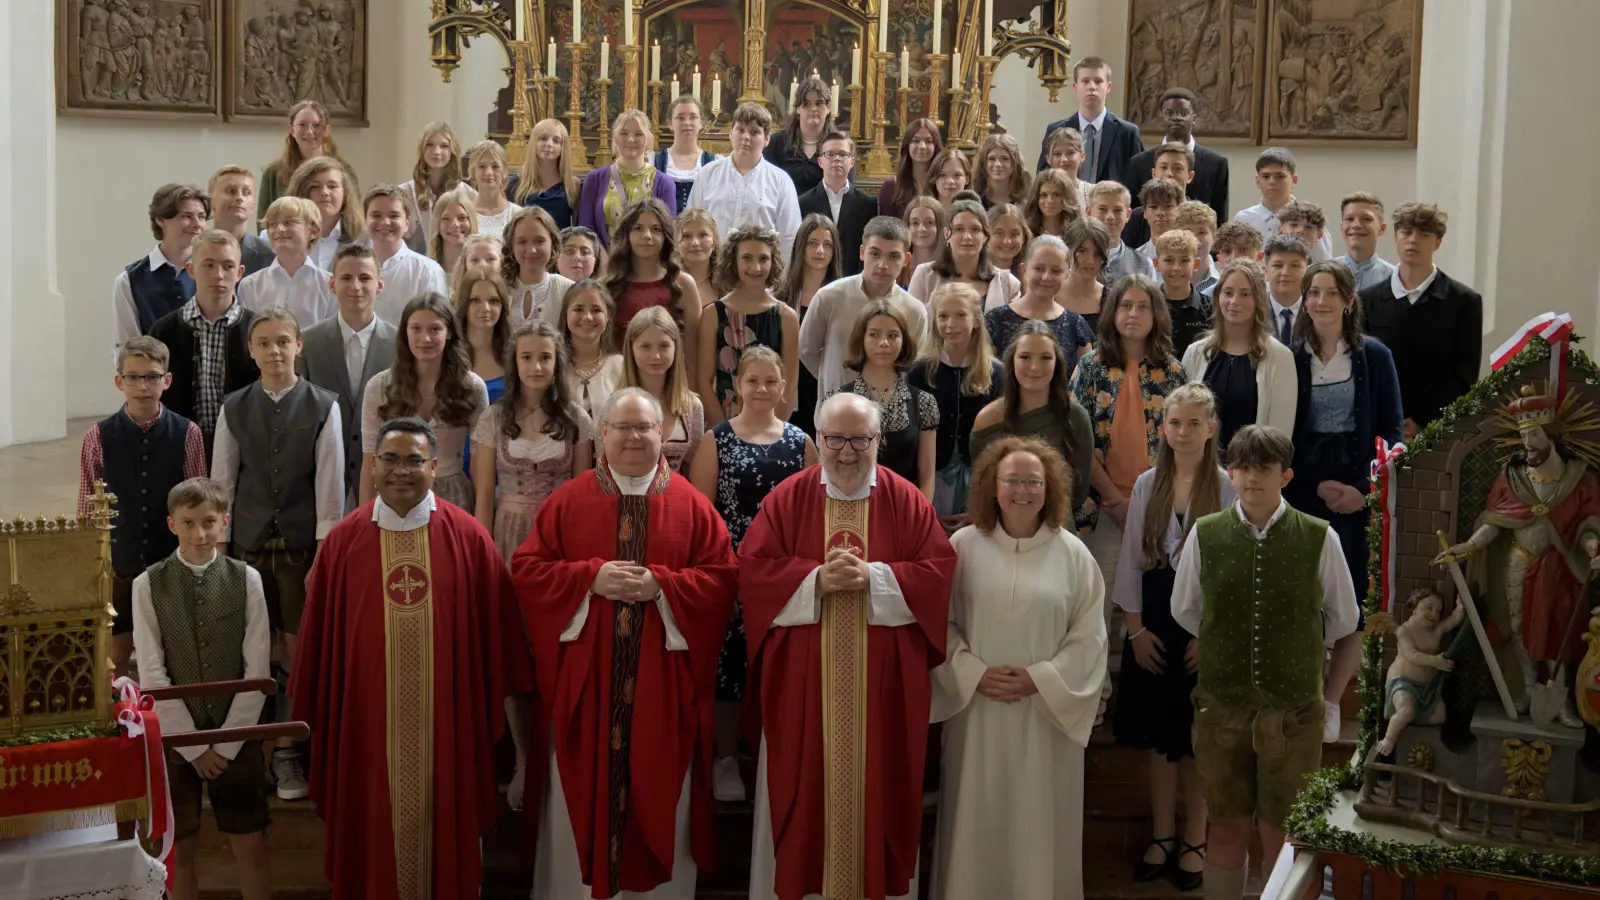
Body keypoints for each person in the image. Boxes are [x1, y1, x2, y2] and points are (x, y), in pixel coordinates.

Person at [292, 416, 535, 899]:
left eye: (413, 460)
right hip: (365, 732)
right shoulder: (343, 541)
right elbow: (319, 647)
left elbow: (502, 645)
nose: (401, 470)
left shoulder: (469, 539)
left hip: (447, 730)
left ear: (434, 466)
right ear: (373, 466)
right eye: (390, 459)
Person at [513, 383, 737, 899]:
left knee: (659, 789)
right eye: (622, 428)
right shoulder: (569, 501)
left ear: (661, 433)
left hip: (663, 691)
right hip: (588, 689)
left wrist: (664, 586)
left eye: (644, 428)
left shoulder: (692, 506)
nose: (633, 437)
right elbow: (527, 570)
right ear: (602, 434)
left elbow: (724, 579)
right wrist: (588, 579)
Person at [739, 391, 957, 900]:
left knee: (880, 788)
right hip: (804, 688)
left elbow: (937, 575)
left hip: (883, 693)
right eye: (835, 439)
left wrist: (874, 578)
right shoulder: (787, 499)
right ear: (818, 439)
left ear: (879, 440)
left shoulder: (906, 500)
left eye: (860, 440)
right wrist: (814, 580)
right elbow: (752, 573)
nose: (846, 452)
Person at [1171, 424, 1360, 899]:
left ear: (1286, 475)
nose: (1253, 477)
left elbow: (1344, 619)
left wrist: (1297, 651)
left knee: (1284, 833)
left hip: (1293, 714)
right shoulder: (1205, 534)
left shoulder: (1320, 537)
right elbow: (1186, 609)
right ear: (1230, 473)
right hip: (1222, 710)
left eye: (1264, 468)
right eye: (1243, 467)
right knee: (1226, 827)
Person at [930, 437, 1107, 900]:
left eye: (1034, 482)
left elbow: (1090, 639)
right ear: (993, 486)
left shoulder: (1074, 555)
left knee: (1037, 827)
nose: (1022, 491)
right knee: (974, 823)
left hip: (1045, 719)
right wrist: (971, 673)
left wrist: (1040, 679)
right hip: (976, 715)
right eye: (1012, 480)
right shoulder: (962, 547)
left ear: (1050, 490)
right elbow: (939, 625)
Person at [211, 306, 345, 801]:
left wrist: (323, 554)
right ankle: (249, 746)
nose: (274, 351)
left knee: (293, 647)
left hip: (298, 548)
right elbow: (222, 482)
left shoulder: (323, 406)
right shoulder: (234, 407)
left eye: (283, 342)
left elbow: (331, 487)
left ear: (298, 346)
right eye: (264, 343)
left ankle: (287, 750)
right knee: (251, 646)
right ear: (251, 350)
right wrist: (221, 550)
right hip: (246, 545)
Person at [1112, 384, 1231, 892]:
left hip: (1205, 620)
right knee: (1159, 741)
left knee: (1195, 740)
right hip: (1154, 619)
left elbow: (1232, 570)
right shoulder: (1147, 483)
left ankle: (1195, 839)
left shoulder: (1226, 486)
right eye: (1175, 423)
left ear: (1211, 429)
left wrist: (1212, 637)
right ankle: (1162, 835)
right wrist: (1135, 630)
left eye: (1194, 424)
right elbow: (1131, 562)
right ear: (1163, 428)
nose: (1183, 432)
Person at [688, 346, 817, 802]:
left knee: (778, 664)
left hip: (783, 570)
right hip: (733, 566)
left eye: (770, 381)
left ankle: (774, 754)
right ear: (737, 386)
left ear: (783, 387)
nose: (762, 389)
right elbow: (703, 516)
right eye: (752, 380)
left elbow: (811, 515)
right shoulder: (716, 440)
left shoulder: (801, 442)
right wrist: (730, 575)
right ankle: (726, 758)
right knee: (729, 664)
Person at [133, 477, 272, 900]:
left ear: (224, 522)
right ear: (172, 524)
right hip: (176, 739)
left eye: (209, 522)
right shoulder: (147, 584)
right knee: (180, 854)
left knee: (251, 848)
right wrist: (193, 746)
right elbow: (152, 674)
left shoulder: (247, 579)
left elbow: (257, 669)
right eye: (189, 523)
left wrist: (226, 745)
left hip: (237, 733)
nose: (199, 533)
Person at [1435, 390, 1600, 728]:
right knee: (1517, 629)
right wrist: (1468, 546)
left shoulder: (1579, 478)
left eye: (1534, 435)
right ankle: (1526, 690)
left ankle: (1559, 700)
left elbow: (1587, 522)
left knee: (1558, 633)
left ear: (1550, 435)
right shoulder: (1513, 476)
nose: (1527, 443)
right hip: (1517, 562)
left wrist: (1592, 545)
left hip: (1559, 567)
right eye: (1523, 436)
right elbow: (1496, 520)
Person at [1289, 260, 1403, 740]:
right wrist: (1311, 485)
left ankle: (1333, 701)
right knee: (1305, 599)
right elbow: (1282, 432)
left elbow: (1393, 433)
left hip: (1356, 495)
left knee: (1352, 601)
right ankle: (1306, 695)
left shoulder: (1375, 356)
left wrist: (1363, 491)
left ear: (1349, 300)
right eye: (1313, 293)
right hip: (1304, 492)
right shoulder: (1289, 357)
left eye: (1331, 293)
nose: (1322, 301)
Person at [1070, 273, 1187, 689]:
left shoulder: (1173, 371)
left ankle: (1139, 697)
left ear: (1157, 315)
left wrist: (1143, 504)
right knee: (1096, 606)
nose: (1133, 314)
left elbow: (1182, 445)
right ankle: (1096, 697)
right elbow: (1078, 441)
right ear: (1111, 312)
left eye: (1142, 306)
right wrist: (1114, 499)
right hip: (1101, 507)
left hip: (1157, 508)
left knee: (1147, 604)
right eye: (1125, 305)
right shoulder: (1090, 367)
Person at [80, 337, 208, 676]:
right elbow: (87, 508)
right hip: (119, 563)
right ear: (119, 381)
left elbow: (198, 503)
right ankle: (120, 708)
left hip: (172, 563)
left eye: (152, 376)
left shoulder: (188, 433)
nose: (143, 386)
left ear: (167, 380)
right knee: (115, 654)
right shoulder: (97, 437)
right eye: (133, 377)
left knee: (175, 651)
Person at [1357, 202, 1483, 438]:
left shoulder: (1464, 301)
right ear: (1395, 237)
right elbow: (1362, 367)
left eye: (1424, 234)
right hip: (1378, 426)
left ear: (1438, 242)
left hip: (1437, 431)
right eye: (1406, 232)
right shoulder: (1367, 300)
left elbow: (1464, 375)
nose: (1413, 240)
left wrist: (1423, 420)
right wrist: (1386, 418)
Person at [472, 319, 594, 559]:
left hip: (558, 530)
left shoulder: (576, 419)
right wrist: (483, 554)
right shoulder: (493, 419)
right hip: (508, 530)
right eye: (526, 357)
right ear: (515, 362)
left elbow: (581, 495)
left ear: (556, 363)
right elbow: (484, 495)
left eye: (545, 358)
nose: (536, 367)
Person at [360, 293, 490, 509]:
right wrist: (364, 519)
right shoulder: (379, 386)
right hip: (395, 493)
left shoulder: (472, 387)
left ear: (449, 332)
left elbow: (481, 466)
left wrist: (480, 521)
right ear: (405, 332)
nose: (425, 338)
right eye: (416, 329)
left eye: (435, 329)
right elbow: (369, 463)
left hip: (452, 496)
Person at [297, 244, 398, 513]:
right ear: (332, 284)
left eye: (365, 278)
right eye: (346, 278)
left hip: (383, 482)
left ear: (379, 285)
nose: (356, 286)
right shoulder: (308, 343)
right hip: (323, 481)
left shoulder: (400, 344)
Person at [970, 321, 1094, 526]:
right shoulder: (988, 419)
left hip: (1056, 529)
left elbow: (1079, 492)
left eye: (1045, 358)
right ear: (1012, 361)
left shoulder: (1076, 417)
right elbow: (982, 487)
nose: (1035, 367)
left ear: (1057, 363)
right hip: (1000, 529)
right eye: (1025, 357)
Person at [148, 230, 259, 456]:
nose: (218, 274)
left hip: (242, 450)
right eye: (208, 265)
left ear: (239, 273)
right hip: (179, 448)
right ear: (191, 270)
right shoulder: (163, 331)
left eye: (228, 266)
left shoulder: (256, 330)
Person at [799, 216, 926, 405]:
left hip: (888, 413)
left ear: (906, 259)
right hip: (834, 411)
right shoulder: (829, 296)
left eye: (893, 256)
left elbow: (911, 367)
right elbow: (806, 349)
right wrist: (833, 379)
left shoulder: (915, 311)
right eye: (875, 254)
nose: (882, 265)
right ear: (862, 252)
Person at [909, 284, 1003, 522]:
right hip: (932, 478)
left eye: (960, 314)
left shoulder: (997, 373)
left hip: (980, 480)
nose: (951, 324)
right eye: (943, 316)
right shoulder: (919, 372)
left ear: (976, 320)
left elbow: (1002, 438)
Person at [827, 300, 940, 497]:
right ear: (861, 339)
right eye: (874, 334)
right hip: (851, 505)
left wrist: (919, 513)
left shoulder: (924, 402)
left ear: (903, 341)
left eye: (893, 335)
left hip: (905, 506)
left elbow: (927, 479)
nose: (884, 343)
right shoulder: (835, 400)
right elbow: (829, 470)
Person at [1181, 260, 1297, 452]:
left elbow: (1279, 435)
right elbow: (1182, 420)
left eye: (1245, 294)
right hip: (1201, 465)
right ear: (1217, 296)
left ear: (1259, 300)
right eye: (1228, 293)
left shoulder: (1280, 357)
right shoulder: (1195, 353)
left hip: (1254, 466)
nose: (1234, 302)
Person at [698, 225, 800, 423]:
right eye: (747, 258)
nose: (756, 267)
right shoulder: (712, 315)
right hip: (724, 419)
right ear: (733, 261)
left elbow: (789, 385)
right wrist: (724, 430)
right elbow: (703, 382)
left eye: (763, 259)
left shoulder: (786, 317)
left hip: (771, 421)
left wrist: (773, 429)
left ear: (773, 261)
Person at [688, 104, 803, 265]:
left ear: (767, 138)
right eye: (740, 130)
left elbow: (789, 238)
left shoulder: (781, 181)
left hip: (759, 273)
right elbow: (692, 223)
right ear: (731, 133)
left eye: (754, 132)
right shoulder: (708, 174)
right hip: (713, 270)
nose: (745, 137)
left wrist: (780, 278)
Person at [604, 198, 703, 374]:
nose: (647, 236)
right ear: (626, 234)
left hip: (671, 382)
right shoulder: (607, 285)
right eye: (638, 228)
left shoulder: (684, 284)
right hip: (620, 382)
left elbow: (692, 353)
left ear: (666, 236)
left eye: (656, 229)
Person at [112, 183, 207, 362]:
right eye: (186, 216)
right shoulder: (129, 280)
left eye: (201, 217)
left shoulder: (215, 272)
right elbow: (127, 346)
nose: (197, 224)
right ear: (161, 220)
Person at [985, 235, 1094, 368]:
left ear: (1066, 274)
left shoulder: (1076, 325)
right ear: (1024, 270)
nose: (1046, 277)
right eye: (1039, 269)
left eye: (1056, 271)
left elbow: (1086, 378)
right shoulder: (996, 320)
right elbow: (986, 375)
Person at [1125, 88, 1230, 222]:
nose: (1176, 117)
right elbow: (1133, 215)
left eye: (1183, 113)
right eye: (1170, 113)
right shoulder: (1140, 162)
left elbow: (1219, 220)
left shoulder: (1216, 164)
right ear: (1162, 118)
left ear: (1194, 118)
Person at [621, 307, 705, 473]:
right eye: (645, 346)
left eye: (664, 346)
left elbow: (693, 469)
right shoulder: (614, 405)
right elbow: (604, 468)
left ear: (675, 348)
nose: (656, 356)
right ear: (631, 349)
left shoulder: (692, 406)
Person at [1036, 57, 1144, 184]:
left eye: (1098, 81)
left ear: (1108, 87)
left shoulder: (1127, 132)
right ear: (1075, 87)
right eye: (1085, 81)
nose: (1092, 87)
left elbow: (1139, 179)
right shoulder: (1055, 130)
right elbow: (1042, 178)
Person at [579, 110, 678, 248]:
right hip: (604, 259)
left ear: (648, 140)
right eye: (624, 133)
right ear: (616, 139)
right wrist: (604, 258)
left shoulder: (664, 184)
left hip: (648, 259)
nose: (631, 139)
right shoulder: (595, 179)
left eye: (638, 134)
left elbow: (667, 233)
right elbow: (585, 229)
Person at [779, 215, 841, 437]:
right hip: (788, 390)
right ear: (800, 247)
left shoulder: (842, 296)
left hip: (825, 387)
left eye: (827, 245)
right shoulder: (780, 295)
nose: (820, 251)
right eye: (812, 243)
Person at [909, 198, 1020, 313]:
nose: (967, 237)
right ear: (947, 234)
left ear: (985, 236)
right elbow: (910, 321)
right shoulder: (924, 275)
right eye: (959, 229)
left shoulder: (1009, 284)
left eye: (975, 229)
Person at [238, 196, 335, 326]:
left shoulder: (329, 285)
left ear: (313, 231)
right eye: (273, 224)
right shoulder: (250, 285)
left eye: (289, 222)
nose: (280, 229)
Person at [257, 99, 346, 230]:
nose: (309, 131)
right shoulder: (273, 173)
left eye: (316, 125)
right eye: (302, 125)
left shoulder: (343, 170)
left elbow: (353, 216)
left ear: (326, 130)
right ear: (291, 130)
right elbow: (264, 224)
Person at [366, 185, 449, 324]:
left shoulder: (428, 271)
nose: (385, 222)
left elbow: (438, 324)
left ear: (406, 223)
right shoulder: (351, 268)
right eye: (376, 215)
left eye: (394, 215)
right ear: (365, 221)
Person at [1233, 147, 1333, 262]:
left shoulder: (1311, 220)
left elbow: (1322, 264)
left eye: (1280, 176)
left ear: (1294, 180)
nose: (1272, 181)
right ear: (1257, 181)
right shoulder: (1244, 219)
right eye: (1266, 176)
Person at [798, 132, 875, 277]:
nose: (836, 159)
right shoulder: (803, 202)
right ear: (820, 161)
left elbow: (869, 246)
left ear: (852, 162)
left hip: (853, 280)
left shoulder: (867, 204)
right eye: (830, 154)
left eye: (842, 154)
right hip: (815, 279)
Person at [397, 122, 472, 251]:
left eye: (444, 146)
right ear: (422, 150)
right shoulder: (403, 193)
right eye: (429, 145)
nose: (436, 152)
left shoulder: (467, 194)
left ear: (453, 151)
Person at [283, 156, 364, 273]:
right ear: (301, 192)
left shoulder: (363, 237)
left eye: (332, 186)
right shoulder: (278, 235)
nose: (325, 192)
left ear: (345, 192)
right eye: (315, 186)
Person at [561, 279, 626, 419]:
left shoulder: (622, 365)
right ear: (566, 313)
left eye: (596, 310)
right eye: (578, 309)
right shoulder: (554, 365)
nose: (587, 317)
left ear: (608, 315)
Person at [765, 75, 839, 196]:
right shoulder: (776, 143)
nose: (813, 108)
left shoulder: (839, 146)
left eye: (819, 103)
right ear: (798, 108)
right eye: (806, 103)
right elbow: (766, 186)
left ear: (828, 107)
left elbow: (846, 191)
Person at [502, 206, 573, 328]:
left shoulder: (568, 289)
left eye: (539, 241)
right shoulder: (498, 288)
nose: (531, 250)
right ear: (511, 246)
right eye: (522, 242)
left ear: (553, 243)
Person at [455, 265, 511, 406]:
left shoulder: (514, 353)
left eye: (493, 301)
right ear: (464, 304)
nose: (485, 308)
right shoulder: (449, 353)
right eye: (475, 300)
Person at [1152, 228, 1212, 360]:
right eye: (1169, 260)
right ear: (1156, 264)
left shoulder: (1212, 309)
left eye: (1184, 260)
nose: (1176, 268)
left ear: (1195, 264)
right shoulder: (1148, 306)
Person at [512, 118, 581, 230]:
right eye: (543, 138)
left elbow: (577, 227)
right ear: (534, 142)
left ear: (563, 147)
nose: (549, 144)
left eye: (556, 141)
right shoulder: (516, 183)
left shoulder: (573, 185)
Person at [1088, 181, 1158, 286]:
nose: (1110, 216)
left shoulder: (1144, 264)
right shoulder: (1073, 259)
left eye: (1117, 210)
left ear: (1128, 215)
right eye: (1102, 209)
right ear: (1089, 212)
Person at [656, 97, 720, 210]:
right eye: (680, 118)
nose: (687, 122)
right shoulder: (655, 161)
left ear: (701, 123)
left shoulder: (714, 162)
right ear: (670, 123)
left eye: (693, 117)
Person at [209, 165, 274, 276]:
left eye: (246, 192)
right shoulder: (194, 250)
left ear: (253, 206)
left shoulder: (269, 255)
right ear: (210, 202)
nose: (240, 197)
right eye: (231, 191)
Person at [878, 118, 942, 219]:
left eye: (929, 141)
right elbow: (885, 226)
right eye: (916, 141)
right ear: (907, 145)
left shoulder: (943, 184)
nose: (922, 146)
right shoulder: (890, 187)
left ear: (936, 146)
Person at [1336, 191, 1397, 293]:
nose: (1356, 225)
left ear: (1382, 228)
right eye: (1349, 219)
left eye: (1366, 219)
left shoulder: (1394, 280)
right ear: (1341, 227)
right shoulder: (1322, 275)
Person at [1060, 217, 1111, 331]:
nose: (1090, 260)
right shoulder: (1049, 294)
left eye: (1097, 253)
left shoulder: (1112, 301)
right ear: (1067, 250)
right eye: (1082, 251)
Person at [464, 139, 522, 236]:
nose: (489, 172)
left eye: (495, 166)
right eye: (482, 166)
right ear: (473, 171)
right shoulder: (464, 213)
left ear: (504, 171)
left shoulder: (517, 215)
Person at [1263, 234, 1311, 345]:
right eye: (1277, 265)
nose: (1285, 273)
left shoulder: (1316, 310)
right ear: (1266, 270)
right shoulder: (1254, 310)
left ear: (1307, 270)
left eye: (1295, 265)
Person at [427, 185, 479, 279]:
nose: (455, 224)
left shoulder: (481, 272)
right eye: (446, 218)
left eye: (462, 218)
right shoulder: (426, 272)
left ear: (471, 221)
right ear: (437, 224)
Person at [1129, 177, 1185, 261]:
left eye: (1168, 206)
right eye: (1153, 207)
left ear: (1179, 210)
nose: (1160, 213)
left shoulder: (1192, 258)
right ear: (1145, 212)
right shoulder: (1133, 261)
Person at [973, 133, 1032, 209]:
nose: (998, 164)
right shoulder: (974, 201)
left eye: (1005, 159)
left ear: (1015, 163)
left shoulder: (1028, 204)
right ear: (983, 163)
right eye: (992, 158)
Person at [1174, 201, 1221, 296]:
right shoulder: (1162, 281)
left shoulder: (1222, 287)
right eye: (1187, 232)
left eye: (1201, 232)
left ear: (1214, 237)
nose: (1195, 239)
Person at [678, 207, 721, 309]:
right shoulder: (667, 282)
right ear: (676, 242)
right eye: (687, 236)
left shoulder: (728, 282)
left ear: (714, 241)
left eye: (703, 235)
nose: (695, 243)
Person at [1022, 167, 1080, 239]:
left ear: (1067, 197)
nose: (1050, 200)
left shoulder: (1078, 231)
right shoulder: (1025, 231)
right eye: (1043, 195)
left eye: (1056, 194)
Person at [1043, 126, 1094, 208]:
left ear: (1082, 156)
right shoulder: (1041, 193)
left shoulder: (1093, 192)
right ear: (1048, 159)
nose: (1064, 159)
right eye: (1057, 154)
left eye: (1070, 153)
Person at [902, 196, 945, 287]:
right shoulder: (899, 265)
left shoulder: (950, 267)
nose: (921, 229)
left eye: (929, 222)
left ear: (940, 226)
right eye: (915, 223)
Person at [984, 203, 1031, 279]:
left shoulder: (1030, 275)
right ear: (985, 236)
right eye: (999, 233)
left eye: (1014, 234)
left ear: (1024, 238)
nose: (1007, 241)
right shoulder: (973, 274)